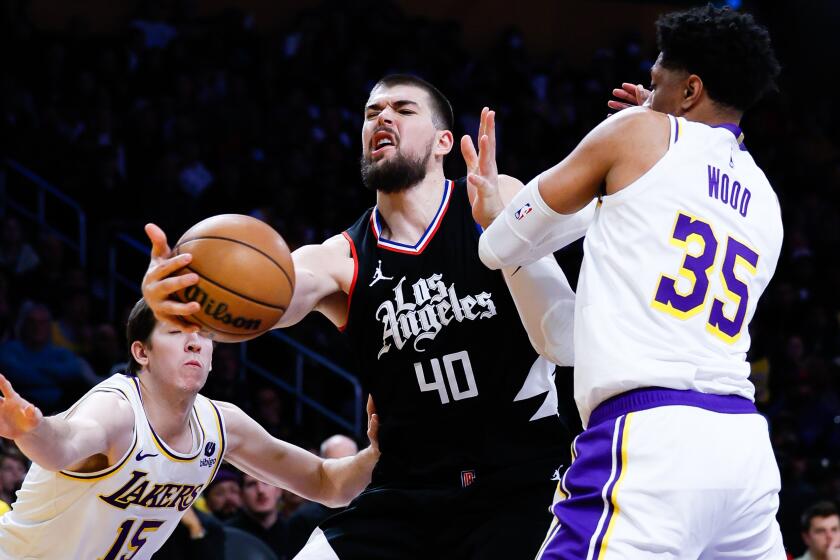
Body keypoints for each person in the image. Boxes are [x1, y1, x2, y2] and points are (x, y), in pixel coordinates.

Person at [142, 74, 579, 559]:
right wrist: (191, 302)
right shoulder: (341, 258)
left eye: (403, 109)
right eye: (373, 112)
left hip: (523, 481)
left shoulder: (491, 202)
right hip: (407, 492)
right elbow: (275, 299)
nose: (382, 118)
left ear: (443, 143)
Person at [472, 5, 784, 558]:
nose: (646, 90)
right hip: (745, 456)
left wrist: (497, 206)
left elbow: (499, 245)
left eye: (657, 81)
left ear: (690, 91)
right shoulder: (765, 202)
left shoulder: (638, 133)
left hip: (651, 441)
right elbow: (565, 339)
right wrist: (646, 149)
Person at [0, 298, 379, 559]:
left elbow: (329, 485)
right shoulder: (116, 409)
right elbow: (60, 446)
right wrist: (29, 430)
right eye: (177, 332)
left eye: (204, 334)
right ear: (141, 352)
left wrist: (380, 449)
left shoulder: (221, 424)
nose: (195, 343)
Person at [287, 435, 358, 556]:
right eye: (337, 464)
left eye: (349, 462)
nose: (344, 470)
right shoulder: (302, 519)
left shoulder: (368, 511)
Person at [227, 473, 289, 557]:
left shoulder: (295, 532)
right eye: (251, 485)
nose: (260, 490)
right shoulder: (228, 536)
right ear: (241, 495)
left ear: (278, 490)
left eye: (266, 482)